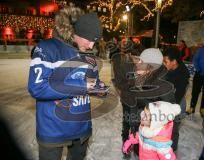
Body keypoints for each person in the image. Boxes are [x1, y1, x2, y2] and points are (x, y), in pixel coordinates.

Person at [28, 4, 104, 160]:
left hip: (81, 129)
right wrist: (81, 86)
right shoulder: (47, 48)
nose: (91, 46)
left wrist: (99, 87)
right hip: (53, 130)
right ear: (77, 32)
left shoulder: (89, 55)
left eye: (95, 42)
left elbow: (92, 82)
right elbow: (37, 87)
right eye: (89, 40)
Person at [112, 48, 176, 159]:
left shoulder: (163, 84)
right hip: (136, 121)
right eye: (139, 60)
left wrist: (152, 125)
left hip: (151, 135)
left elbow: (170, 113)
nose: (137, 64)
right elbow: (126, 86)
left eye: (142, 62)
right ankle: (128, 142)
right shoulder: (141, 74)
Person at [162, 47, 190, 151]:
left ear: (174, 62)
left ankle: (172, 150)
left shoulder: (183, 76)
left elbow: (177, 96)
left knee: (173, 130)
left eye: (166, 61)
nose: (163, 63)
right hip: (166, 102)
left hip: (176, 106)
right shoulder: (168, 68)